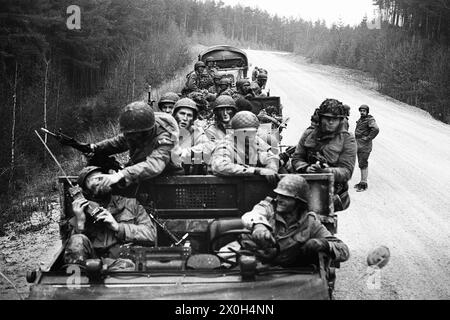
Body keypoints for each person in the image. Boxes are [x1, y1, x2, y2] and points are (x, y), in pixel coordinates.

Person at [241, 175, 349, 267]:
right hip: (258, 267)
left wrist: (323, 244)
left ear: (299, 202)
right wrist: (259, 226)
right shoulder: (268, 208)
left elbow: (343, 251)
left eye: (286, 197)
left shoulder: (310, 222)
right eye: (279, 195)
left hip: (292, 273)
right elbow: (253, 215)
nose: (279, 199)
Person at [64, 166, 156, 269]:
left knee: (125, 266)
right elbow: (73, 249)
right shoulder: (81, 210)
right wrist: (80, 221)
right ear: (86, 190)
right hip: (93, 265)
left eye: (100, 177)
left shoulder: (131, 204)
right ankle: (78, 282)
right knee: (77, 239)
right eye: (91, 180)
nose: (98, 181)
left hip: (126, 261)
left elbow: (151, 234)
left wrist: (118, 227)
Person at [86, 101, 180, 189]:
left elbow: (155, 164)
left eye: (135, 134)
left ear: (146, 131)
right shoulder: (138, 130)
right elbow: (120, 141)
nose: (132, 137)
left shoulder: (166, 137)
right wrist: (95, 147)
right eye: (130, 134)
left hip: (169, 179)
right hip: (140, 173)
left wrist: (121, 174)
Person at [291, 98, 357, 212]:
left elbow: (346, 172)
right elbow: (297, 158)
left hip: (331, 191)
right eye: (327, 118)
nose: (331, 122)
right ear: (320, 118)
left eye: (335, 119)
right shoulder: (309, 134)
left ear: (341, 120)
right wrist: (306, 168)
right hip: (304, 185)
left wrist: (326, 171)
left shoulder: (347, 139)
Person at [210, 111, 279, 181]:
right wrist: (256, 171)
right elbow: (220, 166)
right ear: (235, 133)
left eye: (252, 133)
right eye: (245, 133)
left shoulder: (255, 140)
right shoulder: (225, 144)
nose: (249, 136)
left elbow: (270, 156)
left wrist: (271, 168)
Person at [172, 98, 214, 173]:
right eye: (182, 113)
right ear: (175, 114)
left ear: (193, 119)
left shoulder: (196, 132)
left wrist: (188, 152)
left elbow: (208, 146)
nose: (185, 118)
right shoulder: (167, 131)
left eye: (189, 115)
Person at [354, 104, 379, 192]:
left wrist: (368, 138)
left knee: (363, 163)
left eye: (364, 111)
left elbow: (376, 129)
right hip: (359, 145)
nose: (362, 112)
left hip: (365, 146)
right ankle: (362, 181)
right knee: (361, 164)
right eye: (361, 110)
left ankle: (364, 184)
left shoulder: (370, 120)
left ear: (367, 111)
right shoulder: (361, 120)